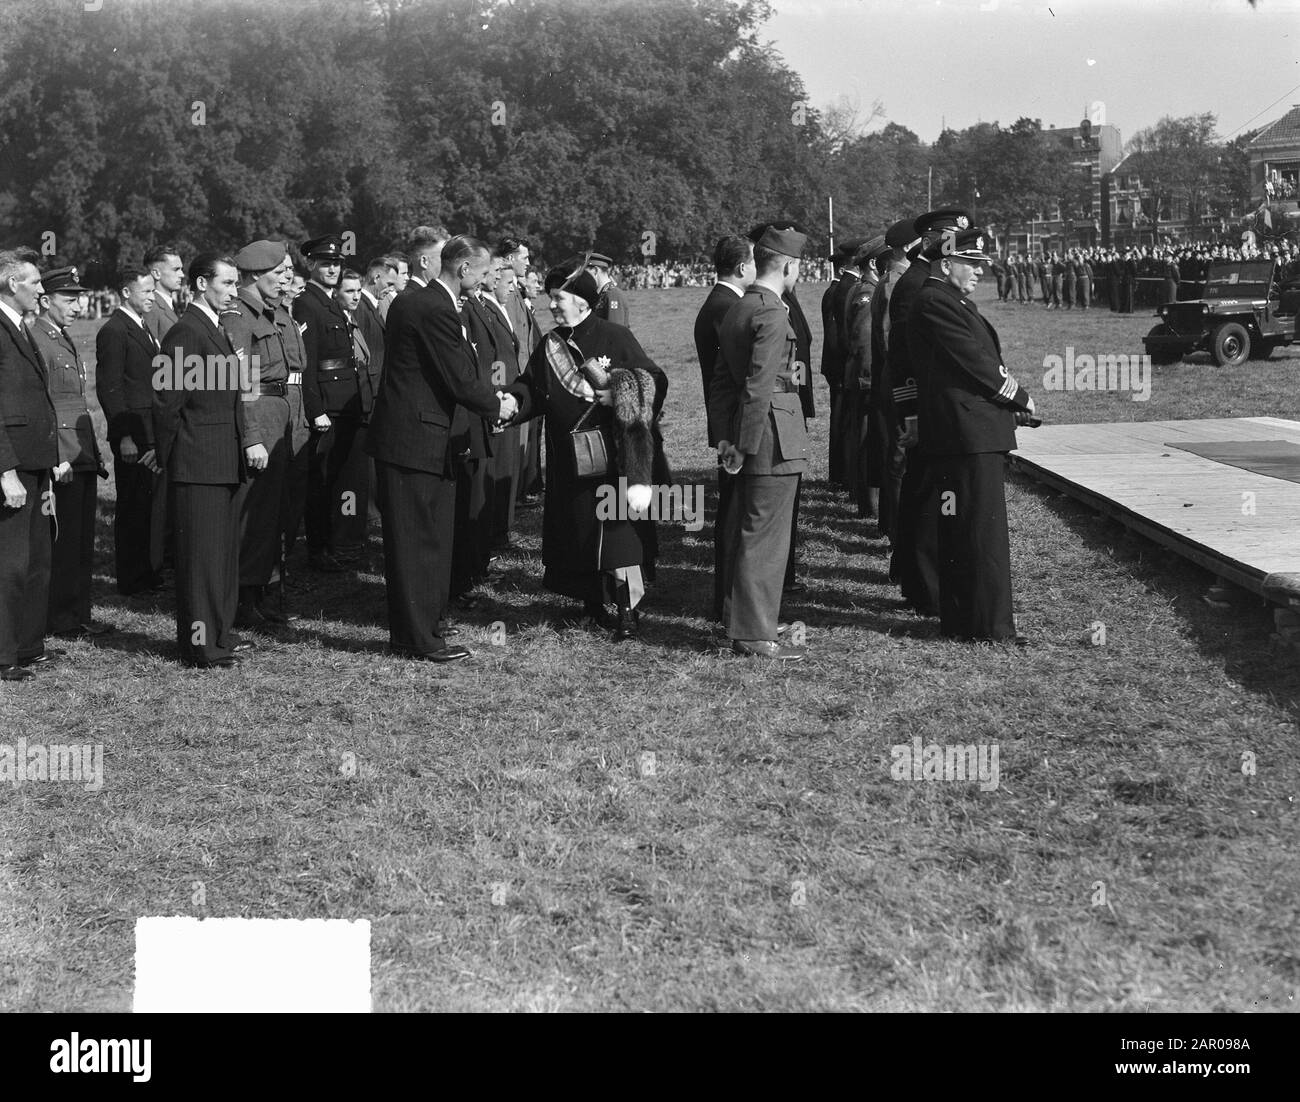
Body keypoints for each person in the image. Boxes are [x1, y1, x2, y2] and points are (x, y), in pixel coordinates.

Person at [506, 256, 668, 642]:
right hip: (570, 460)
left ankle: (627, 609)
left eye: (559, 297)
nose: (552, 305)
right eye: (550, 298)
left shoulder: (615, 336)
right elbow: (532, 387)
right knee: (578, 530)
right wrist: (513, 402)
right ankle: (591, 603)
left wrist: (619, 394)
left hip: (613, 458)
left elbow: (655, 380)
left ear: (581, 300)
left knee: (620, 535)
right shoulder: (550, 344)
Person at [367, 235, 513, 663]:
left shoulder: (433, 303)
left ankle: (424, 625)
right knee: (417, 541)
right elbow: (459, 377)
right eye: (484, 273)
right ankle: (417, 637)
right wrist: (497, 404)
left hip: (423, 438)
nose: (487, 281)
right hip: (415, 440)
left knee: (428, 538)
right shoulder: (433, 307)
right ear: (464, 268)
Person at [908, 226, 1035, 644]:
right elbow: (976, 362)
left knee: (963, 527)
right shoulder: (935, 301)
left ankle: (965, 619)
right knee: (981, 533)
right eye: (973, 264)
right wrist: (1019, 398)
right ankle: (989, 627)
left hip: (966, 431)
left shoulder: (944, 299)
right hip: (967, 435)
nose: (981, 272)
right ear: (947, 264)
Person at [707, 225, 809, 661]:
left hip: (752, 436)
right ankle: (752, 634)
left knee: (752, 532)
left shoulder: (739, 305)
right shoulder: (770, 312)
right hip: (771, 440)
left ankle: (750, 621)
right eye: (798, 266)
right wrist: (745, 445)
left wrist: (728, 439)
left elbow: (721, 383)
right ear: (787, 265)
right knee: (765, 538)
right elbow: (759, 386)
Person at [153, 254, 254, 669]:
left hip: (223, 459)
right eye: (227, 284)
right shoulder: (185, 331)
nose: (233, 292)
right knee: (200, 559)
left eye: (234, 284)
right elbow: (166, 404)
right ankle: (200, 645)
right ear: (199, 283)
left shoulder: (215, 327)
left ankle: (219, 633)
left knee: (223, 556)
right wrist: (171, 459)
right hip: (198, 463)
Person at [888, 209, 971, 617]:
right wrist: (912, 412)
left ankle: (914, 575)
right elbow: (902, 357)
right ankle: (924, 588)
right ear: (932, 239)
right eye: (951, 238)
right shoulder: (914, 285)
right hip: (923, 405)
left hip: (934, 405)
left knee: (926, 493)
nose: (955, 245)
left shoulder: (927, 279)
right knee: (924, 496)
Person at [30, 265, 112, 640]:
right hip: (62, 456)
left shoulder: (62, 337)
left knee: (80, 539)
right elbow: (43, 406)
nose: (77, 305)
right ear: (46, 300)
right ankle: (60, 618)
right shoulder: (38, 340)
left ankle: (76, 614)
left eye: (80, 298)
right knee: (62, 542)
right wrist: (53, 456)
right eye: (69, 298)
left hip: (80, 453)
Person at [220, 239, 296, 629]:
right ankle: (244, 598)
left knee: (272, 512)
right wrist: (251, 436)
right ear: (252, 275)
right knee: (254, 514)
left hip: (277, 414)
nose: (285, 279)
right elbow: (241, 382)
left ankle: (265, 590)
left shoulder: (270, 312)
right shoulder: (239, 316)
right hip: (259, 418)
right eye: (277, 273)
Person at [294, 235, 374, 571]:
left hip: (346, 406)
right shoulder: (307, 304)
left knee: (343, 479)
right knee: (322, 482)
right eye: (325, 263)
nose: (332, 269)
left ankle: (341, 543)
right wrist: (315, 410)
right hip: (328, 408)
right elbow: (307, 364)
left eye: (337, 263)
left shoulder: (330, 302)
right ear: (310, 264)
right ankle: (320, 549)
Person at [0, 251, 58, 680]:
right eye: (34, 282)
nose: (42, 290)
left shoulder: (20, 327)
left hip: (35, 462)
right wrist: (5, 471)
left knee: (35, 559)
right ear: (9, 283)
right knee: (10, 562)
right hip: (13, 468)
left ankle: (26, 644)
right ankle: (4, 655)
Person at [693, 234, 755, 621]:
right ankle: (730, 604)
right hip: (733, 424)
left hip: (730, 421)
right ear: (742, 267)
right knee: (735, 517)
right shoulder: (726, 306)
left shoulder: (723, 302)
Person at [95, 267, 165, 596]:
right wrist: (123, 436)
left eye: (153, 291)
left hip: (147, 428)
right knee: (133, 506)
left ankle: (146, 572)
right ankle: (132, 578)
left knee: (146, 504)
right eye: (146, 291)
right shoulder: (114, 330)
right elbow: (110, 387)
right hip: (132, 435)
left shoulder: (142, 325)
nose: (151, 297)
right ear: (126, 292)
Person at [842, 236, 888, 518]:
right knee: (867, 441)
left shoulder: (863, 289)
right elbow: (863, 341)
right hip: (866, 380)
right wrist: (871, 380)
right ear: (873, 263)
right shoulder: (867, 293)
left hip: (860, 378)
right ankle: (869, 505)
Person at [588, 252, 630, 328]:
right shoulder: (601, 294)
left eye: (585, 273)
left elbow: (615, 332)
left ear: (595, 270)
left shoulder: (612, 294)